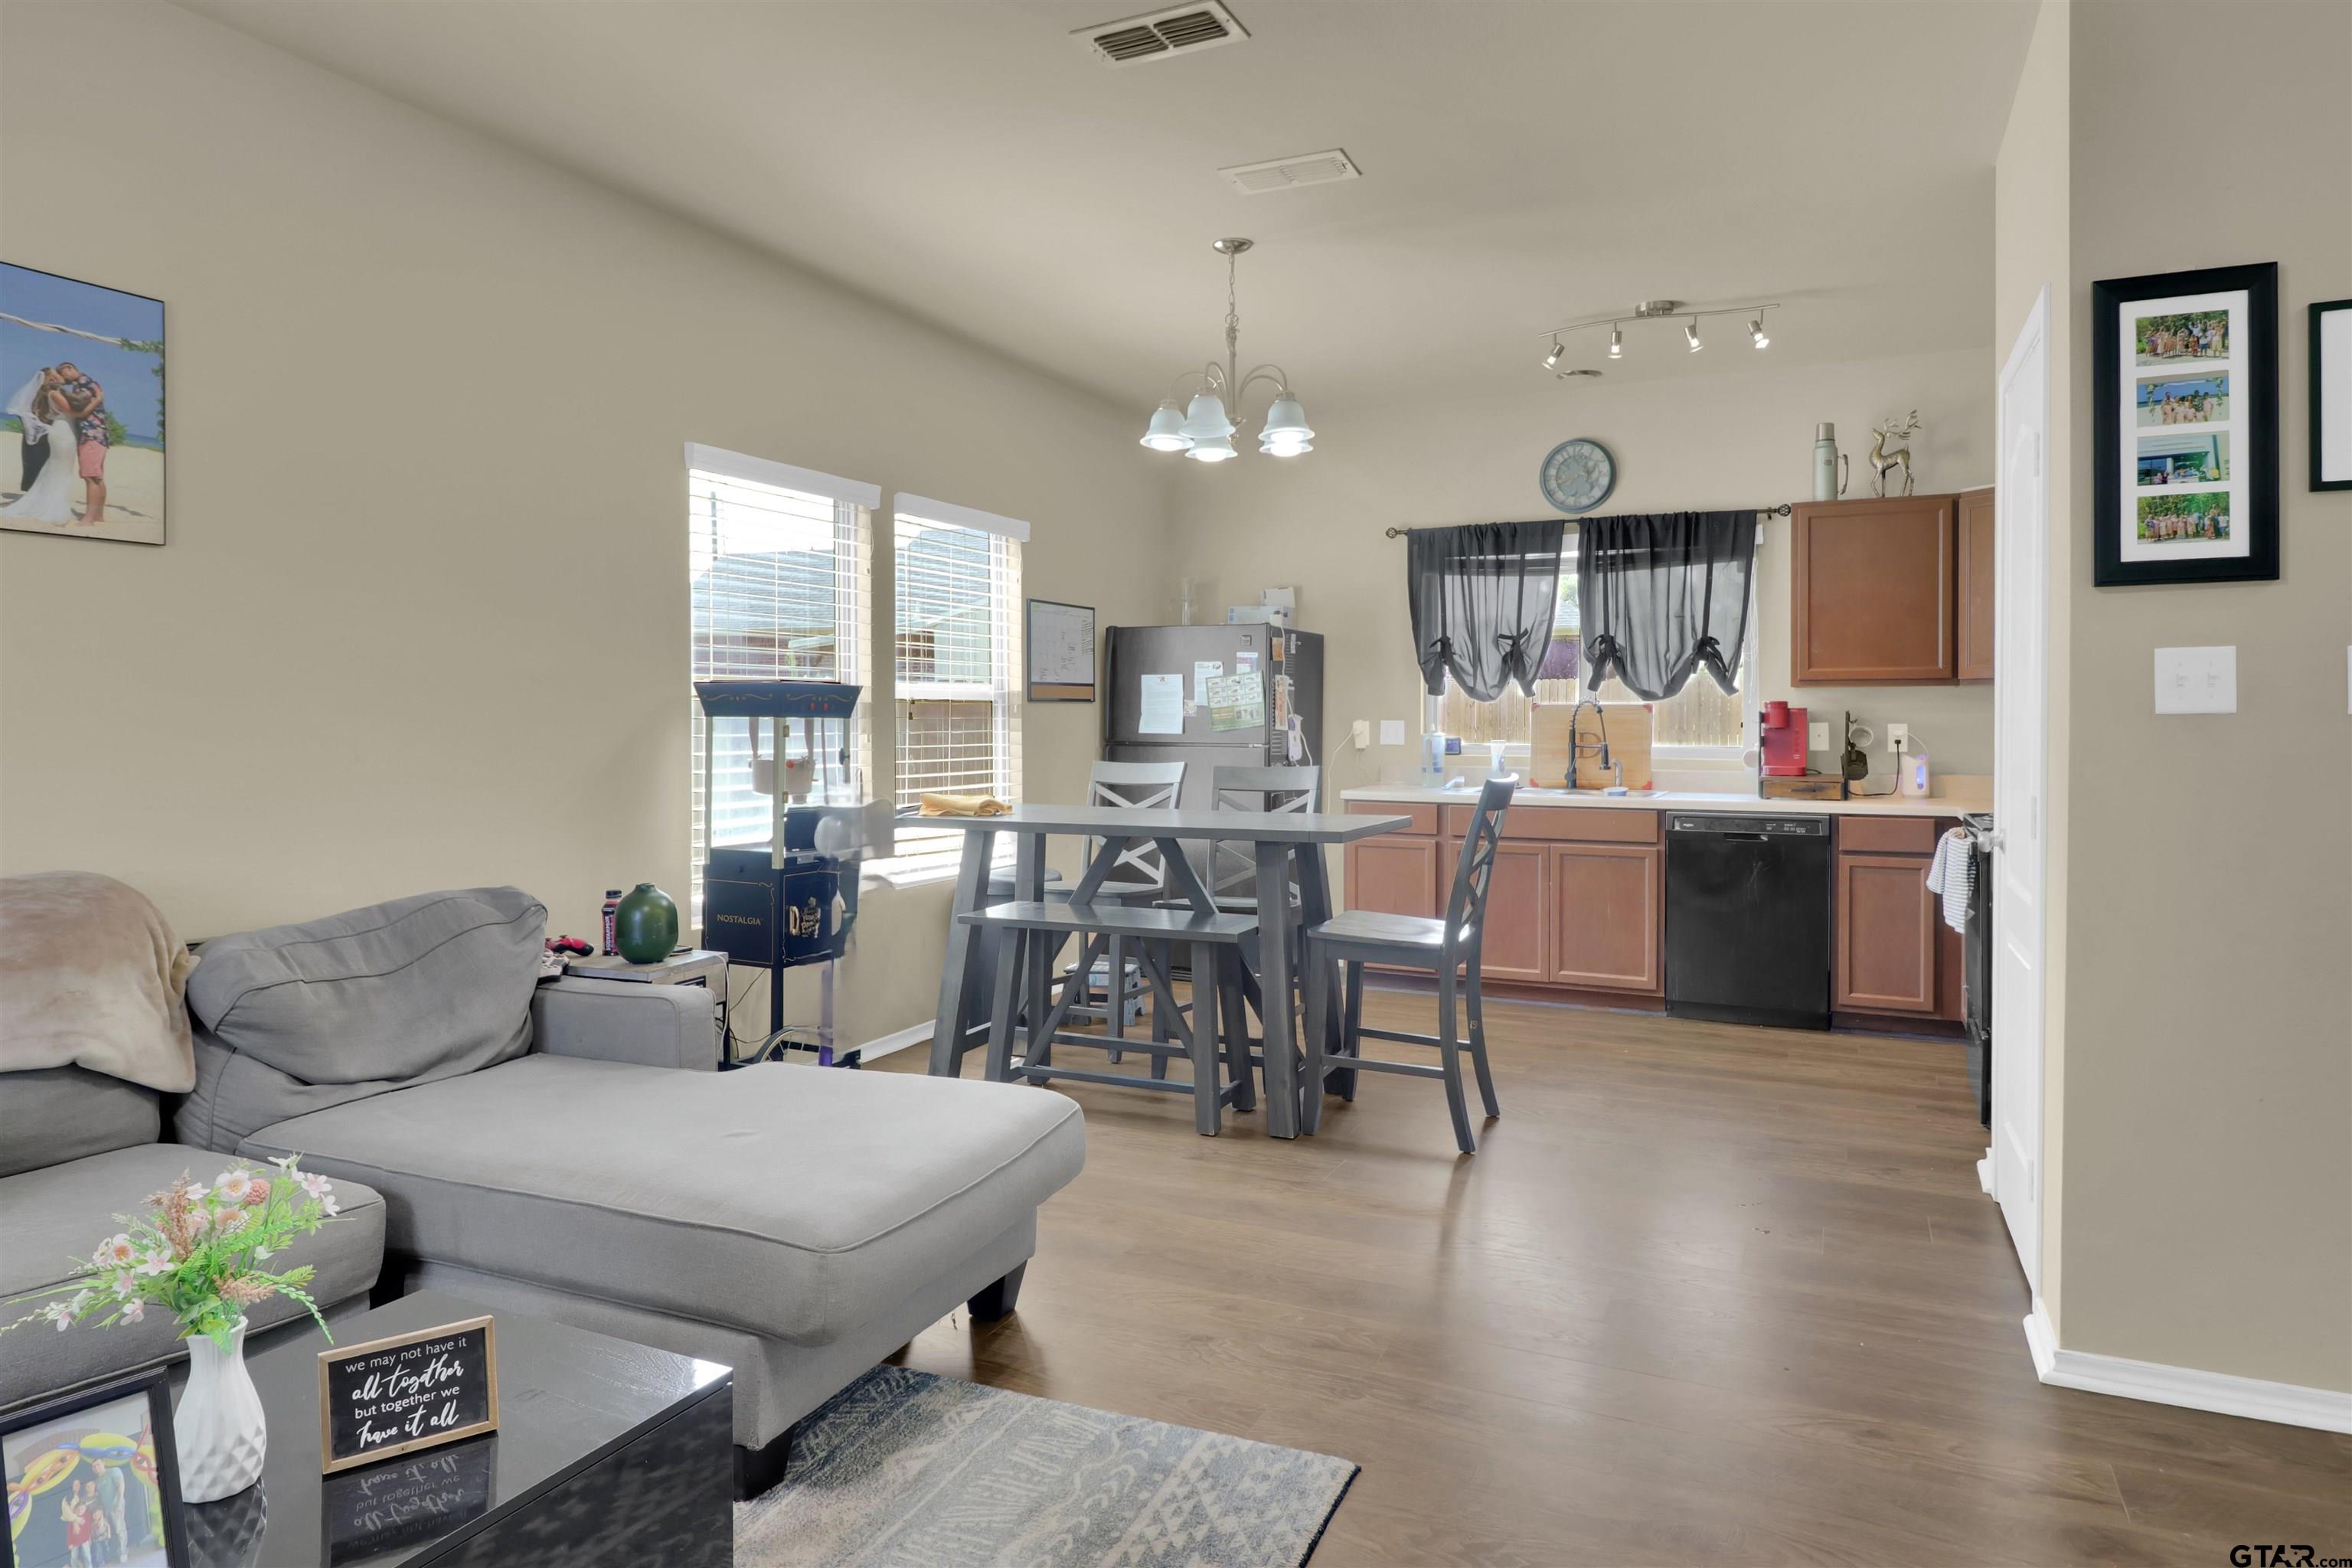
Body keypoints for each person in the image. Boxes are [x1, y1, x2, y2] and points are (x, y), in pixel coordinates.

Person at [0, 368, 80, 523]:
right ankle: (53, 505)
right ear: (50, 380)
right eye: (57, 376)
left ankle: (50, 501)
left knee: (56, 470)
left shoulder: (48, 394)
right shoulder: (55, 394)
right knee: (61, 472)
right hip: (63, 432)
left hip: (61, 432)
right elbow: (74, 412)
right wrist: (96, 401)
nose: (61, 377)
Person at [51, 362, 108, 526]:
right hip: (96, 434)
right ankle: (98, 515)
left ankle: (89, 519)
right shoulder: (83, 383)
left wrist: (60, 389)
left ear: (69, 369)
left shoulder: (84, 382)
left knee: (90, 477)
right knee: (97, 477)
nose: (64, 379)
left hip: (92, 433)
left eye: (63, 374)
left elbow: (79, 403)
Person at [5, 365, 53, 492]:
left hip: (36, 433)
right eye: (51, 378)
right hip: (42, 433)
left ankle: (34, 491)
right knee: (37, 462)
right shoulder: (43, 395)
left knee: (35, 462)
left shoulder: (40, 393)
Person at [95, 1459, 127, 1566]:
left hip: (116, 1506)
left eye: (98, 1464)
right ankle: (116, 1551)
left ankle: (123, 1551)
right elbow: (99, 1497)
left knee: (119, 1528)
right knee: (110, 1531)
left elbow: (121, 1485)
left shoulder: (114, 1471)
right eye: (94, 1466)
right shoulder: (97, 1480)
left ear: (104, 1463)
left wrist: (118, 1504)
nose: (96, 1468)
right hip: (106, 1509)